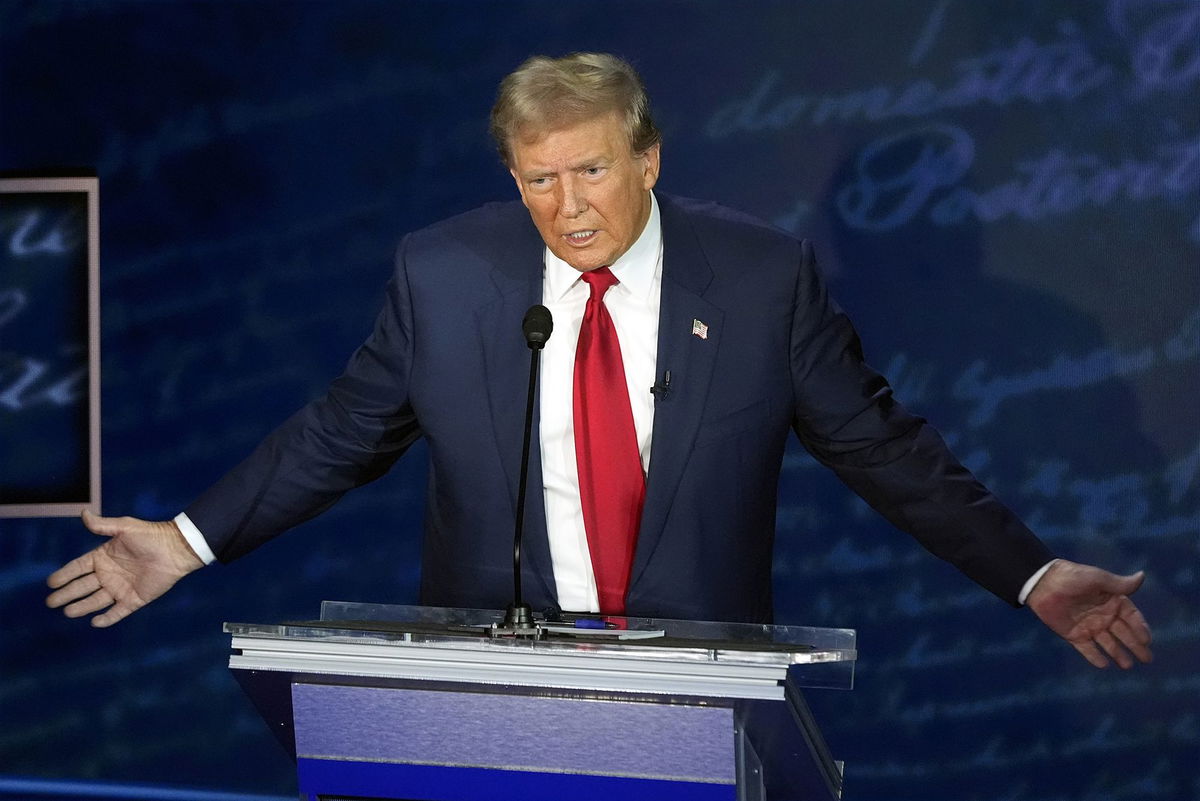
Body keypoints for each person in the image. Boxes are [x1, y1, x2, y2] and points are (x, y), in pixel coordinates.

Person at [47, 53, 1151, 669]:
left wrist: (1033, 573)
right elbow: (343, 431)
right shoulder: (446, 272)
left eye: (588, 173)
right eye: (536, 179)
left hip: (697, 683)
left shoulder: (762, 278)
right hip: (491, 680)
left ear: (648, 158)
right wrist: (187, 543)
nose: (564, 209)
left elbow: (881, 447)